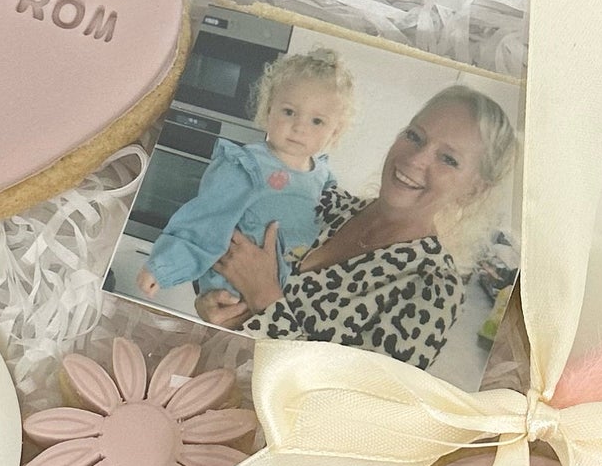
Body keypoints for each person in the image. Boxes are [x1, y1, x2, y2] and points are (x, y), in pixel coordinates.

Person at [195, 83, 518, 372]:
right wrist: (213, 303)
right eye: (414, 136)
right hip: (200, 379)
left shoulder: (433, 288)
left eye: (448, 159)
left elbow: (351, 405)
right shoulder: (325, 203)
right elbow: (227, 258)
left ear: (473, 189)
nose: (416, 159)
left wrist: (264, 297)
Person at [138, 48, 354, 302]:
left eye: (317, 121)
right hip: (233, 291)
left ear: (335, 131)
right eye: (289, 112)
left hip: (283, 301)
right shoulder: (246, 165)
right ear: (269, 109)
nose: (299, 127)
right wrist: (163, 267)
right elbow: (206, 220)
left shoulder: (325, 179)